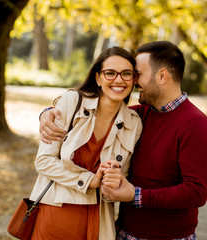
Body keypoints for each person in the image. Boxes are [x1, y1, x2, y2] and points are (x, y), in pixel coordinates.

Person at [40, 41, 207, 240]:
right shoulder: (140, 115)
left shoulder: (195, 124)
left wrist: (136, 195)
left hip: (167, 237)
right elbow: (100, 111)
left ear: (162, 76)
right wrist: (48, 114)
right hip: (124, 233)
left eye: (137, 74)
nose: (133, 82)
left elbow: (196, 192)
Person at [29, 46, 142, 240]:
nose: (118, 80)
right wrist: (89, 181)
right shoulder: (73, 101)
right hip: (56, 210)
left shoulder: (134, 122)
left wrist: (113, 183)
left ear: (133, 80)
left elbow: (121, 180)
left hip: (98, 220)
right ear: (98, 78)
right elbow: (43, 161)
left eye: (126, 74)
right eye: (110, 73)